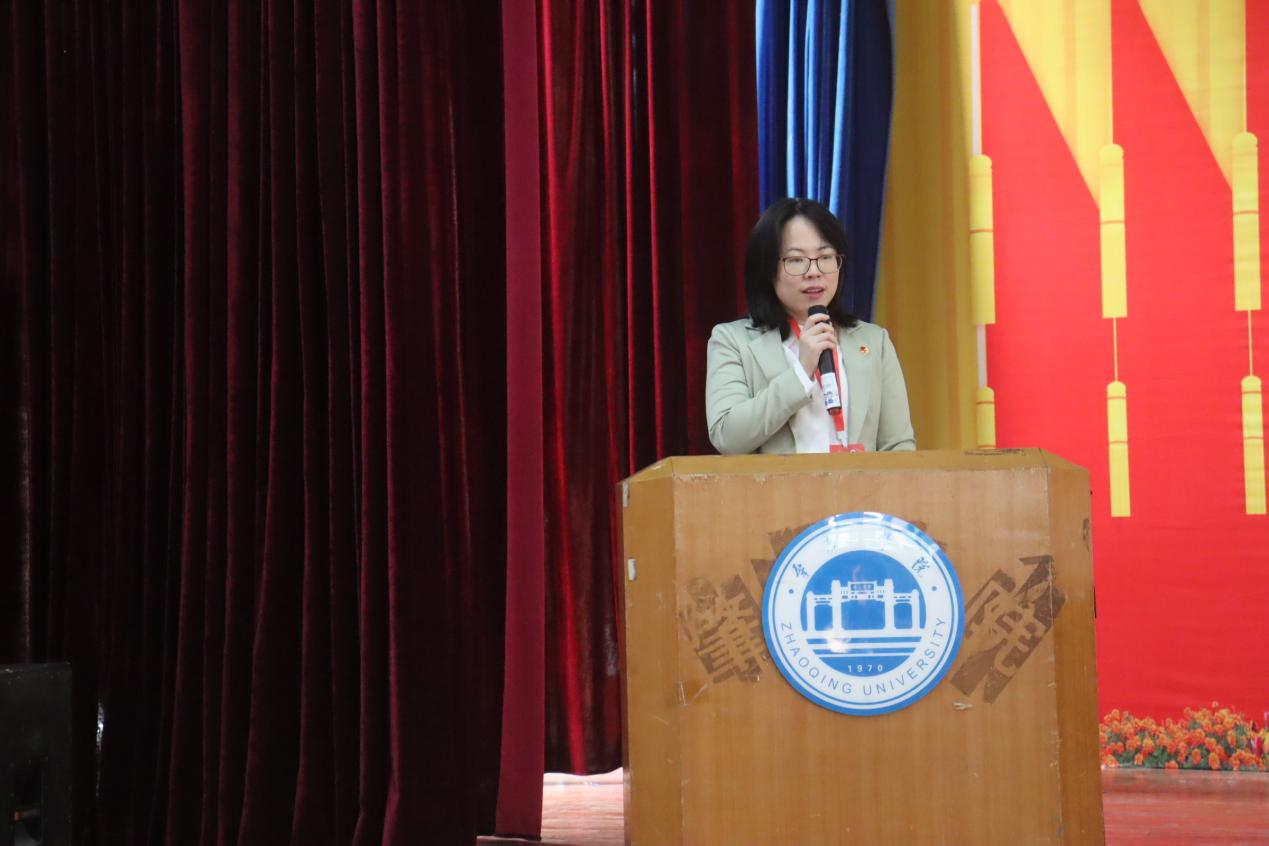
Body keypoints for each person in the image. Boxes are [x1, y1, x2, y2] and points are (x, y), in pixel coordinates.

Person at [706, 198, 915, 454]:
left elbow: (898, 446)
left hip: (859, 482)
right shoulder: (732, 341)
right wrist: (801, 372)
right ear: (768, 269)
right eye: (796, 260)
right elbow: (727, 437)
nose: (814, 272)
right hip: (779, 482)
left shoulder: (874, 341)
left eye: (825, 257)